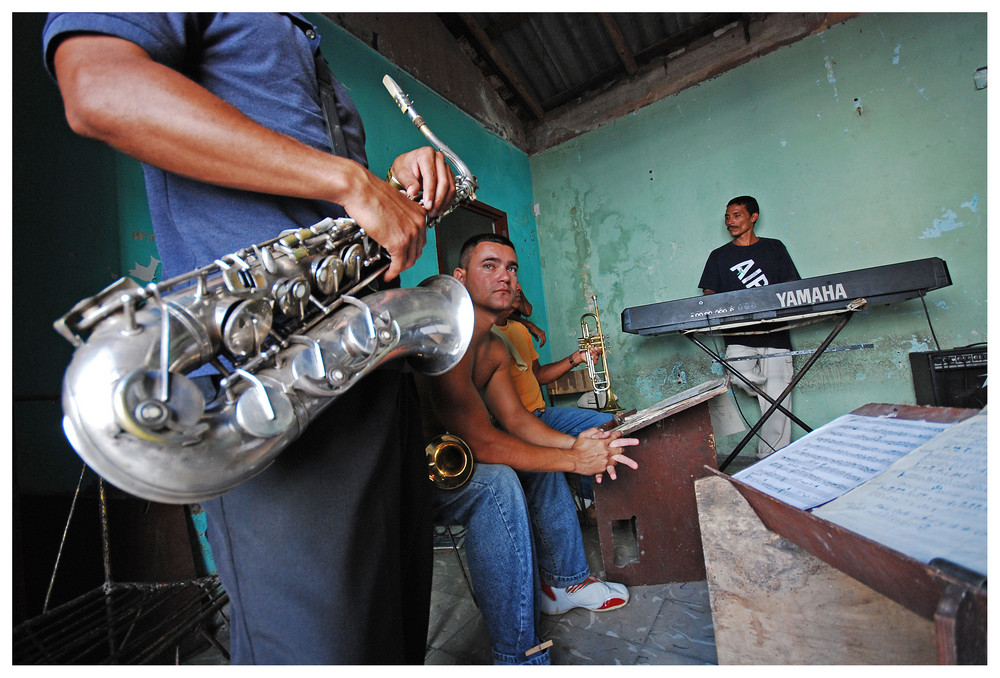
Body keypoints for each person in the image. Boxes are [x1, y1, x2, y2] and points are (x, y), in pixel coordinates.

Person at [44, 12, 456, 664]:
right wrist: (349, 181)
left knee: (395, 645)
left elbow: (310, 197)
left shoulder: (298, 31)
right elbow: (97, 88)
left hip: (370, 367)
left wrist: (390, 182)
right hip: (271, 393)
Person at [423, 233, 639, 665]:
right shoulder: (443, 333)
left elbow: (520, 421)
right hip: (412, 470)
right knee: (497, 482)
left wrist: (576, 443)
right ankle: (518, 658)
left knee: (535, 460)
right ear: (459, 277)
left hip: (455, 460)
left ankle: (564, 583)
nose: (506, 276)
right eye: (490, 265)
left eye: (512, 267)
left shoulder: (496, 347)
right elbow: (483, 440)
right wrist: (573, 457)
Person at [698, 195, 801, 459]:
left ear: (753, 217)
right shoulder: (719, 256)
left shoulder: (774, 248)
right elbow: (709, 293)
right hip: (738, 335)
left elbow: (792, 287)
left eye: (737, 215)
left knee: (778, 405)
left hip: (776, 336)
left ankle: (773, 458)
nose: (730, 221)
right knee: (740, 373)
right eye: (727, 217)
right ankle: (764, 387)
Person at [493, 294, 615, 501]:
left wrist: (577, 358)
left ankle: (593, 498)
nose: (515, 286)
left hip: (542, 415)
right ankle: (591, 501)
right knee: (559, 463)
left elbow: (539, 376)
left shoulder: (520, 330)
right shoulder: (485, 337)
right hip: (516, 425)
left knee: (607, 426)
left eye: (518, 284)